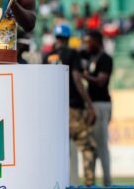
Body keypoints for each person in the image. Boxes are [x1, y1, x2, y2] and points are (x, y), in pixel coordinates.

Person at [43, 24, 97, 186]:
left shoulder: (47, 57)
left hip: (53, 109)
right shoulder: (72, 54)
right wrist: (89, 104)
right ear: (68, 38)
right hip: (73, 107)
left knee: (58, 150)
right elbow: (76, 78)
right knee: (87, 147)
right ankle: (89, 184)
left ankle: (56, 182)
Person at [82, 30, 113, 186]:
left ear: (97, 41)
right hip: (92, 105)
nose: (87, 44)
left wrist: (84, 76)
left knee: (101, 145)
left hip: (100, 104)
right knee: (92, 146)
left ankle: (107, 182)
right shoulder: (91, 58)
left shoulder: (106, 59)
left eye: (89, 41)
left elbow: (101, 81)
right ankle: (91, 182)